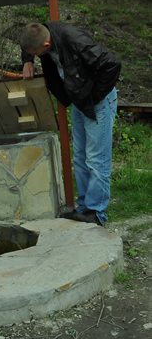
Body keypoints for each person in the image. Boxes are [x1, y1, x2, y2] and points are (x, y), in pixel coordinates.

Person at [20, 22, 121, 226]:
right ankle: (84, 208)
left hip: (96, 102)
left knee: (96, 159)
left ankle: (96, 212)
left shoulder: (74, 40)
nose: (37, 57)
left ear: (46, 45)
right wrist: (27, 60)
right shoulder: (41, 33)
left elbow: (111, 65)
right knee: (81, 157)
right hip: (80, 100)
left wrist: (93, 97)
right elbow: (28, 42)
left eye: (36, 54)